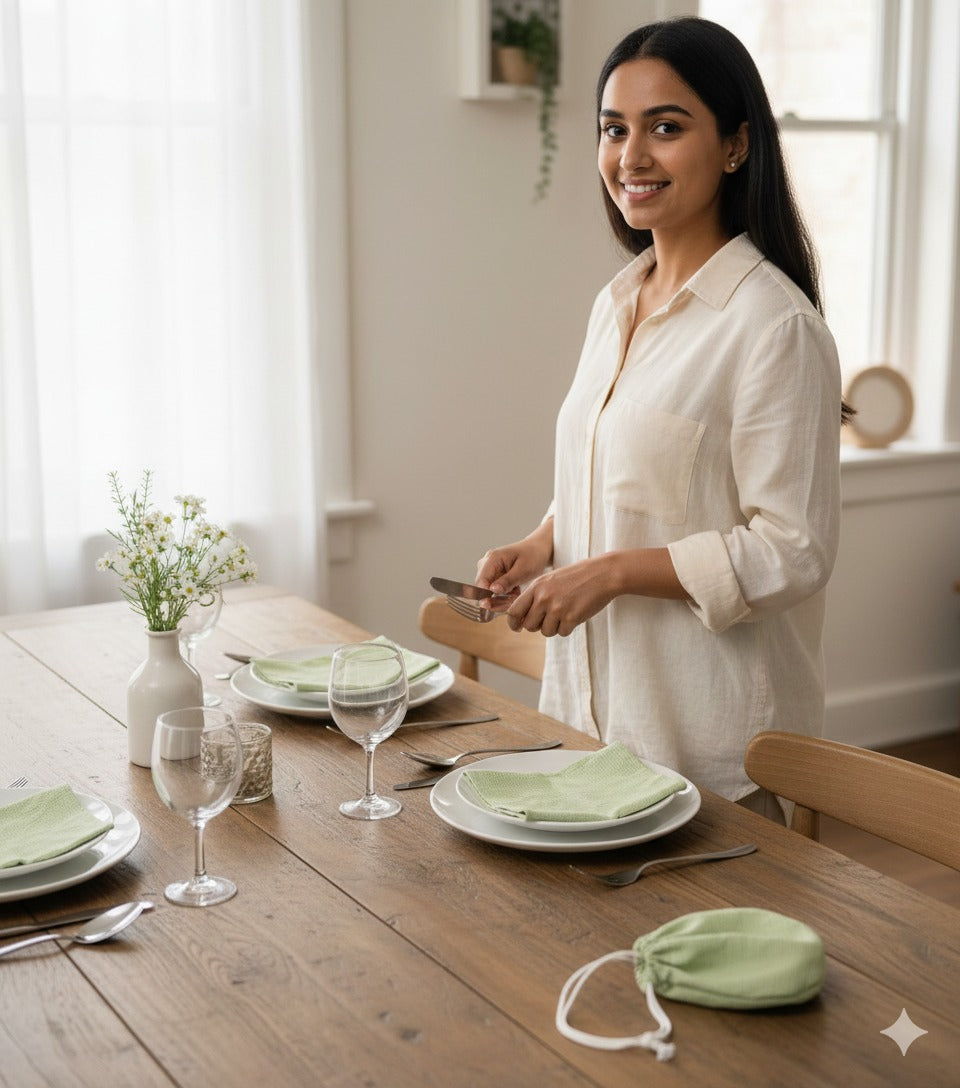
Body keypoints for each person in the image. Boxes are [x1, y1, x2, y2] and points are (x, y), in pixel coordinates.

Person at [474, 17, 847, 821]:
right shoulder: (616, 304)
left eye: (666, 128)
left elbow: (795, 549)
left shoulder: (774, 327)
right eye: (614, 130)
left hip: (708, 757)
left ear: (736, 145)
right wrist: (543, 544)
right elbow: (617, 466)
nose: (631, 156)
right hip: (589, 729)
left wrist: (610, 573)